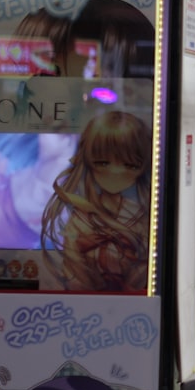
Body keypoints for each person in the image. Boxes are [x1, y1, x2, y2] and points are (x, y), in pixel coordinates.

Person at [39, 111, 152, 292]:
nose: (115, 172)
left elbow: (145, 276)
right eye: (103, 163)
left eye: (130, 165)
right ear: (88, 162)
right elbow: (75, 277)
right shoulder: (79, 220)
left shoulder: (145, 218)